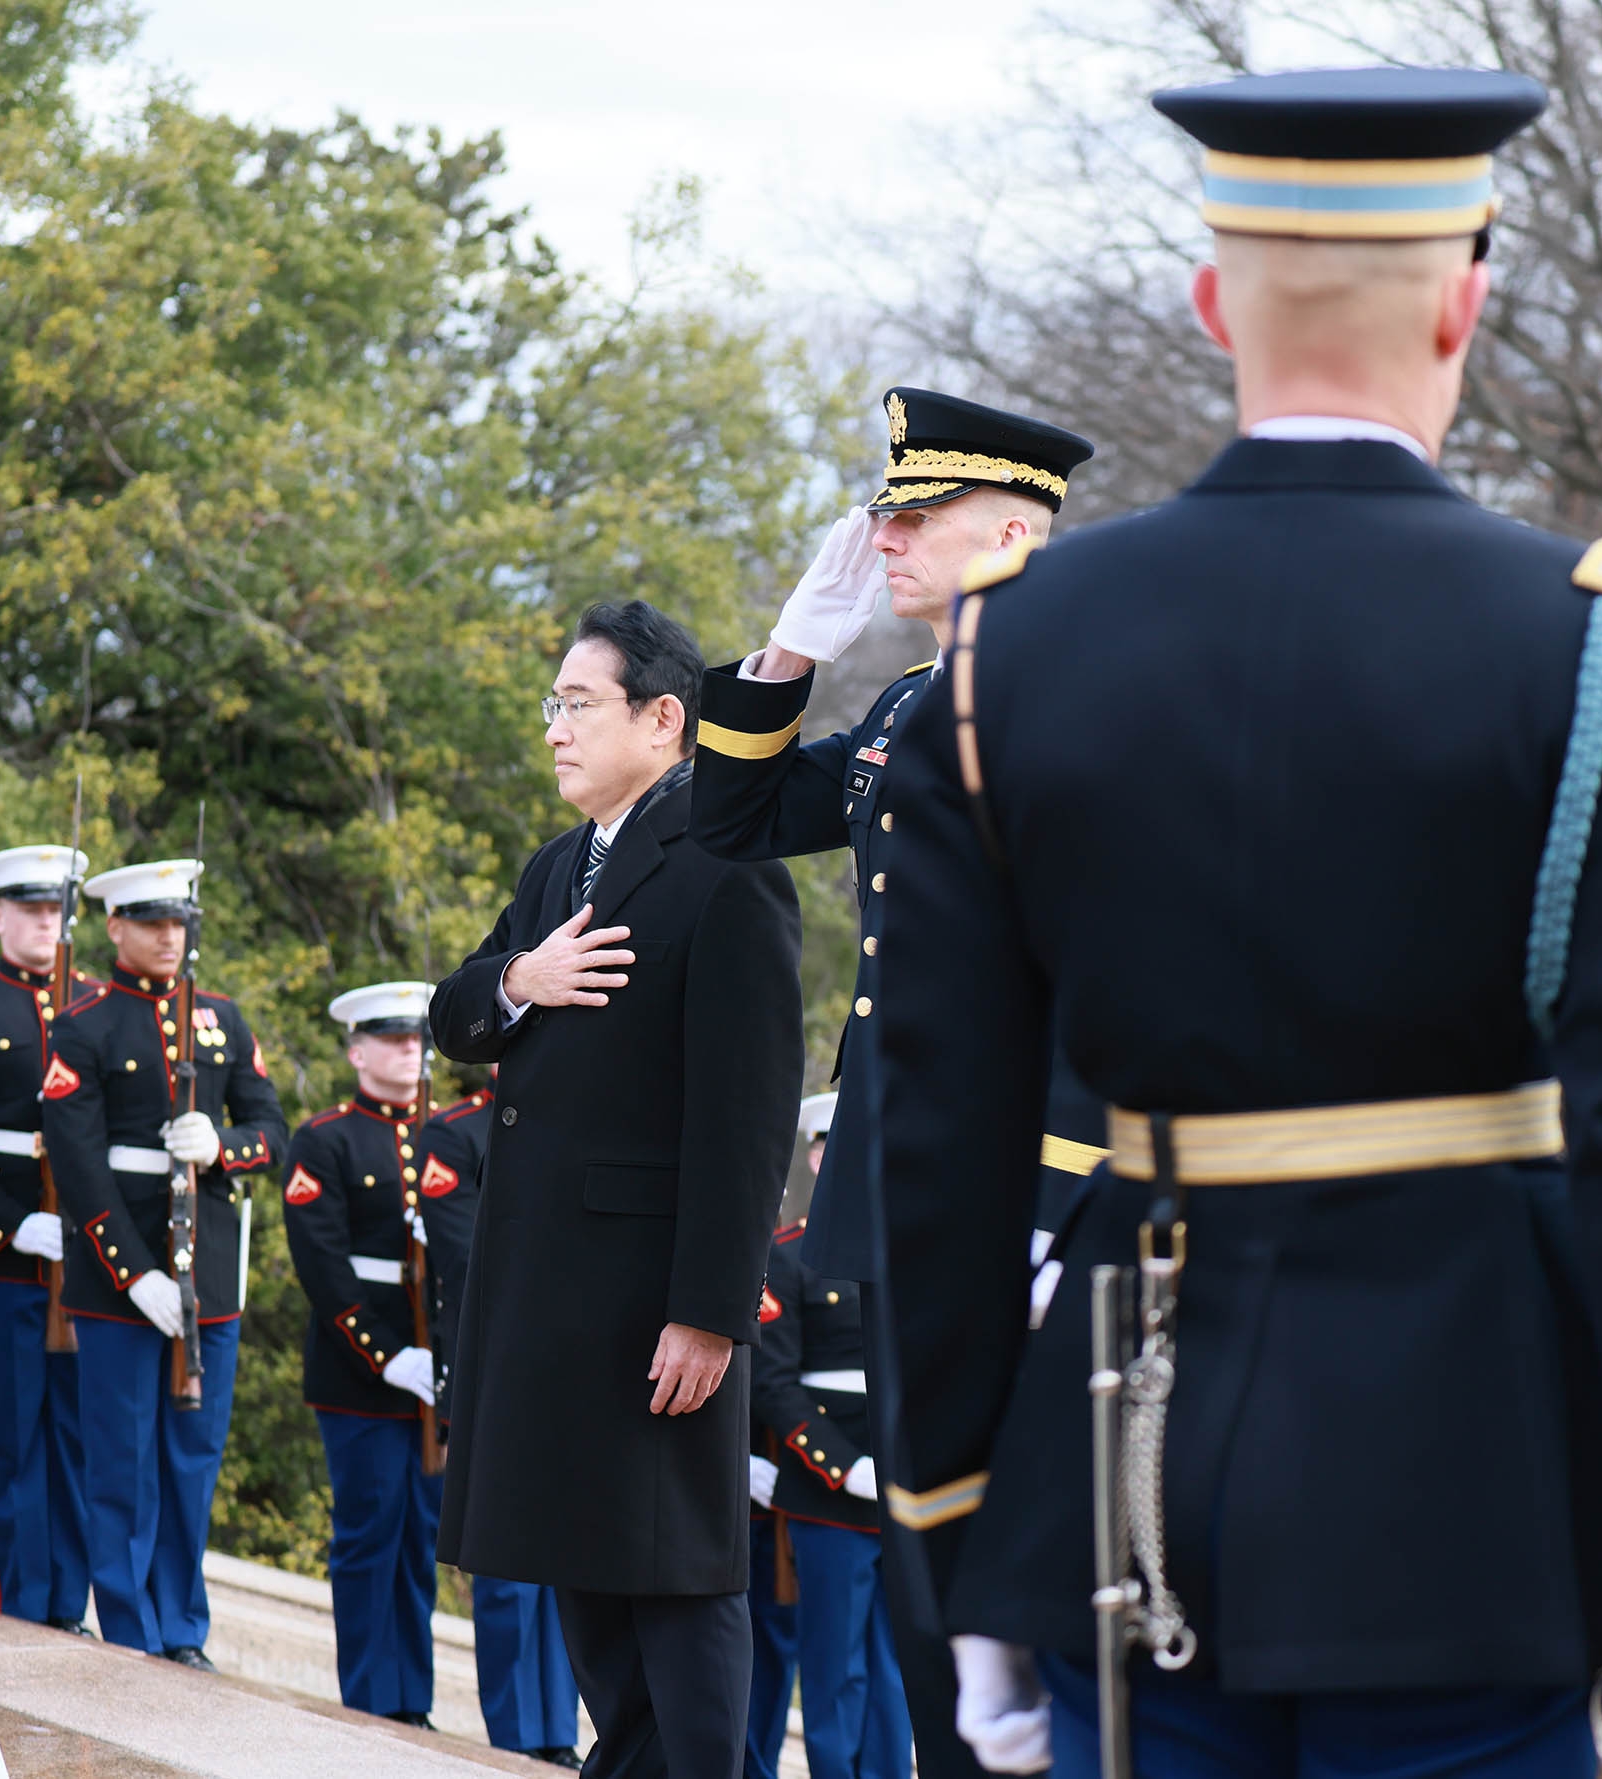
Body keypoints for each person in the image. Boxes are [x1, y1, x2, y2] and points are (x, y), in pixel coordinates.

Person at [869, 66, 1602, 1779]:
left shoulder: (1007, 654)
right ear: (1467, 302)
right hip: (1482, 1504)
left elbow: (937, 1154)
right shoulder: (1585, 634)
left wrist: (960, 1550)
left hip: (1121, 1492)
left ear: (1215, 300)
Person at [690, 386, 1104, 1779]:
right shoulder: (914, 700)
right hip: (906, 1173)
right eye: (887, 514)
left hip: (1026, 1182)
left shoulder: (1086, 693)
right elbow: (733, 815)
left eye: (916, 518)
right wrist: (794, 651)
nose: (887, 540)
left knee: (1023, 1542)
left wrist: (1059, 1185)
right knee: (935, 1542)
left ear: (1012, 528)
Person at [432, 599, 804, 1779]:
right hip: (554, 1297)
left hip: (654, 1304)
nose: (554, 728)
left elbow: (749, 1117)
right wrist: (521, 977)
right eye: (554, 705)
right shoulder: (559, 870)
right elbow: (457, 1012)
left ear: (662, 717)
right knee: (591, 1576)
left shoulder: (723, 865)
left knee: (678, 1586)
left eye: (576, 704)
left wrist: (709, 1309)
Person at [42, 857, 288, 1668]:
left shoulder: (222, 1017)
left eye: (179, 921)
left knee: (191, 1463)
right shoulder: (86, 1023)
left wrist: (224, 1146)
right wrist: (133, 1272)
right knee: (121, 1462)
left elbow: (272, 1134)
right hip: (123, 1281)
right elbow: (78, 1164)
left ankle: (181, 1628)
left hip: (208, 1279)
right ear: (115, 927)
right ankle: (127, 1626)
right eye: (152, 921)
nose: (168, 935)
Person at [281, 980, 449, 1728]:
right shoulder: (327, 1139)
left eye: (416, 1037)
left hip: (432, 1375)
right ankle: (368, 1698)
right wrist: (385, 1355)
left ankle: (410, 1697)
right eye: (391, 1037)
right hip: (363, 1373)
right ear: (357, 1050)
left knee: (419, 1541)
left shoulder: (445, 1134)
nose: (409, 1048)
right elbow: (323, 1264)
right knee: (369, 1537)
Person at [0, 843, 94, 1631]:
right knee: (14, 1438)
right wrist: (11, 1224)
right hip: (4, 1254)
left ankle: (68, 1603)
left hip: (84, 1263)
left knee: (76, 1437)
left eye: (56, 909)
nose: (46, 923)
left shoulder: (93, 1004)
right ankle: (21, 1604)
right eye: (30, 909)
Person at [420, 1068, 587, 1767]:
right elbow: (466, 1256)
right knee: (509, 1566)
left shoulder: (584, 1117)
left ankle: (556, 1733)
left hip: (573, 1370)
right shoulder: (454, 1133)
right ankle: (515, 1737)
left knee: (565, 1565)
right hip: (498, 1364)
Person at [756, 1145, 911, 1779]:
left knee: (898, 1673)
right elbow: (773, 1381)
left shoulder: (913, 1255)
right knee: (834, 1667)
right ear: (819, 1160)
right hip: (830, 1496)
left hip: (907, 1491)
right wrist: (843, 1466)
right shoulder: (790, 1254)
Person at [744, 1092, 833, 1779]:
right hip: (740, 1473)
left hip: (794, 1474)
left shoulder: (809, 1249)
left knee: (775, 1636)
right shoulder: (775, 1245)